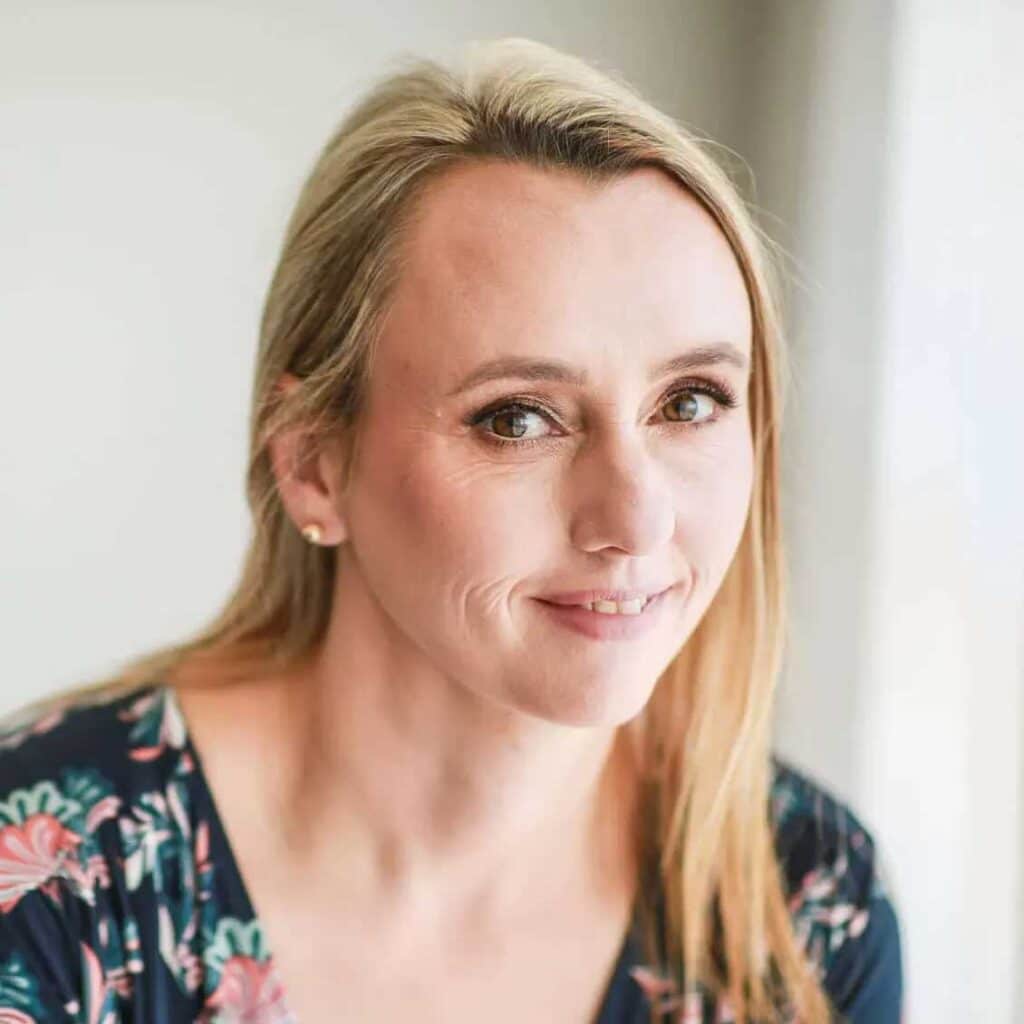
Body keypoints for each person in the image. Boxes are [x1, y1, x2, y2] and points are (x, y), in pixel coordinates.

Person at [0, 37, 902, 1024]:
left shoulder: (806, 905)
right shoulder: (51, 882)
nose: (636, 516)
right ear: (312, 465)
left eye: (689, 402)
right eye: (517, 417)